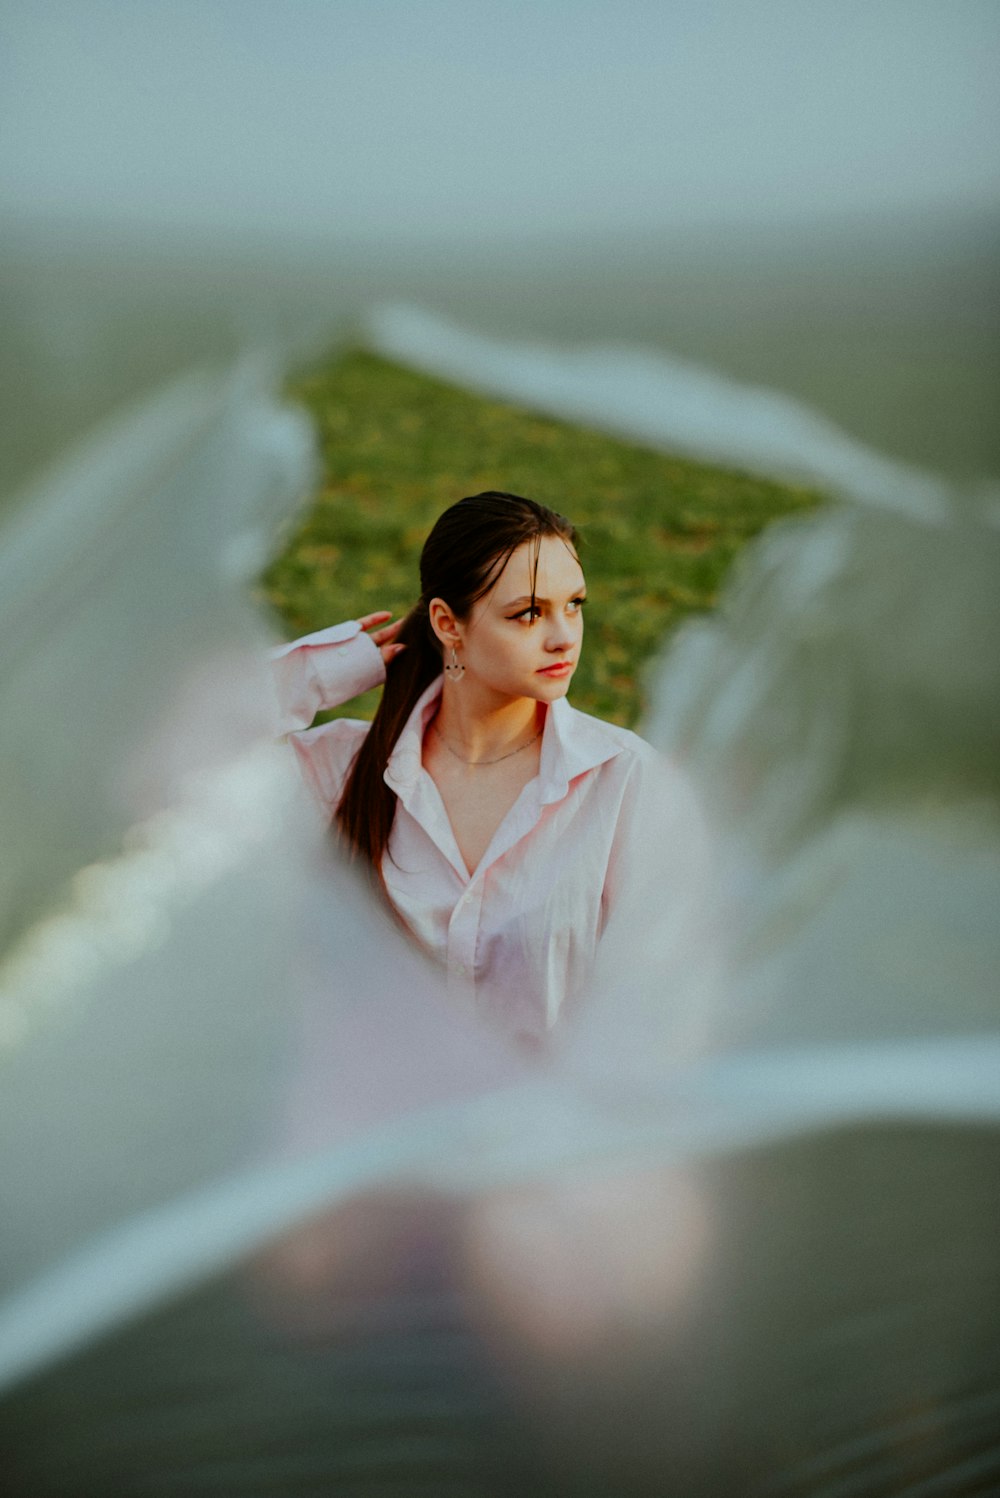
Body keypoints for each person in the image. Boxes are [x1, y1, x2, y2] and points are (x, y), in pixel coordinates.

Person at [271, 491, 703, 1049]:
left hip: (550, 1129)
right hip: (371, 1123)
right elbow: (171, 752)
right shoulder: (340, 770)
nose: (563, 636)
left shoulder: (623, 780)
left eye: (574, 604)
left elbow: (664, 1004)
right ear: (448, 625)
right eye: (528, 613)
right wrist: (326, 672)